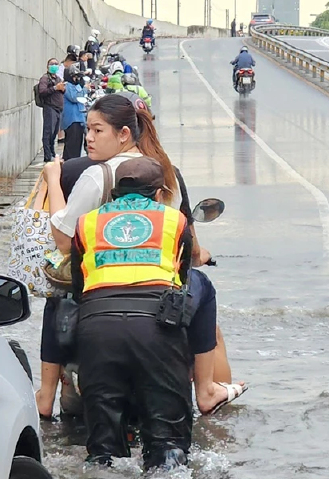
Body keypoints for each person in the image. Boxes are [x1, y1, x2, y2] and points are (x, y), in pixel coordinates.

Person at [38, 96, 237, 417]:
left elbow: (62, 241)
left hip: (98, 299)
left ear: (123, 133)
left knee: (57, 299)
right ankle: (209, 392)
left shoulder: (89, 174)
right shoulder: (167, 174)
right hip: (160, 301)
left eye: (96, 130)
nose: (89, 138)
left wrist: (51, 178)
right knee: (207, 313)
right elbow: (188, 245)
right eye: (88, 130)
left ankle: (45, 396)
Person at [70, 156, 198, 471]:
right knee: (169, 443)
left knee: (103, 449)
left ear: (114, 192)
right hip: (157, 326)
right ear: (159, 193)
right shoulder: (175, 221)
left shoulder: (87, 223)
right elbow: (182, 280)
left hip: (97, 326)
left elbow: (78, 286)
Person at [38, 59, 65, 162]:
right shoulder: (45, 78)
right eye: (52, 64)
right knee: (48, 132)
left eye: (56, 64)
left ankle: (52, 152)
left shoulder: (58, 78)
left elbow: (62, 91)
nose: (54, 66)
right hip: (50, 107)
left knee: (54, 133)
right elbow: (42, 91)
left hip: (58, 109)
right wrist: (55, 88)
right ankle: (47, 155)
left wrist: (62, 88)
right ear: (47, 66)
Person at [60, 68, 88, 160]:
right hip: (72, 119)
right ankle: (70, 163)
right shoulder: (67, 85)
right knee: (72, 146)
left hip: (79, 118)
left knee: (77, 144)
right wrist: (83, 88)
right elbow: (74, 97)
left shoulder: (75, 86)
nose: (77, 79)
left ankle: (70, 163)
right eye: (75, 77)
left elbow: (83, 96)